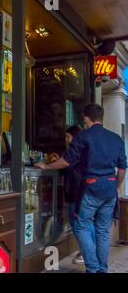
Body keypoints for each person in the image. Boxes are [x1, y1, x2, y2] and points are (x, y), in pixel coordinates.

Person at [36, 104, 127, 273]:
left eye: (84, 119)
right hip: (110, 189)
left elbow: (67, 161)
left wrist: (46, 166)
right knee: (103, 232)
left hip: (92, 187)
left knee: (81, 226)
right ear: (101, 118)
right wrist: (115, 186)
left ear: (86, 118)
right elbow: (122, 169)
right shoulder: (116, 139)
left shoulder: (84, 136)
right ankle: (102, 269)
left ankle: (92, 268)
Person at [63, 125, 95, 265]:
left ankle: (86, 253)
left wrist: (52, 165)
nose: (65, 139)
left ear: (74, 137)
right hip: (83, 192)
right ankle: (90, 250)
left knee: (77, 224)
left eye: (67, 136)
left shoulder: (75, 151)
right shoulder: (85, 150)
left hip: (75, 192)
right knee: (86, 223)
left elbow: (70, 168)